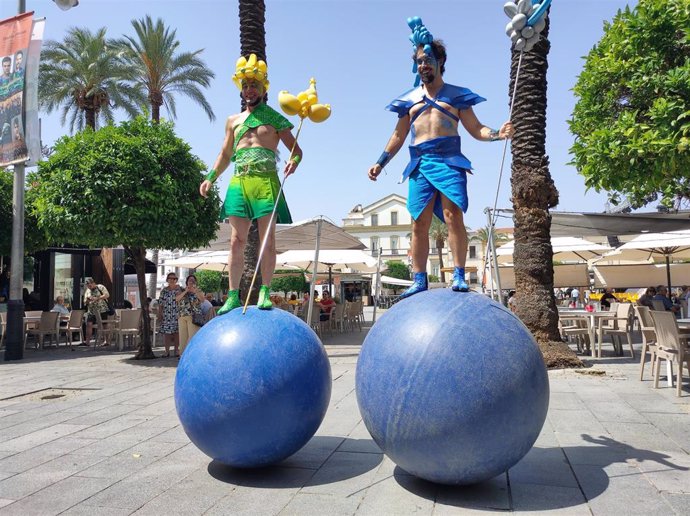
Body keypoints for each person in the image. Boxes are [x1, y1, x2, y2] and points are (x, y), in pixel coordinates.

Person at [367, 18, 513, 299]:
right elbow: (398, 136)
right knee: (417, 222)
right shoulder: (409, 100)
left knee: (452, 215)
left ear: (440, 61)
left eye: (429, 60)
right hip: (420, 163)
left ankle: (459, 274)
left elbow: (475, 129)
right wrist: (380, 161)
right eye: (420, 61)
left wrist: (497, 133)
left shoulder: (457, 96)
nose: (424, 65)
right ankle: (419, 279)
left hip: (450, 161)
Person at [200, 54, 302, 314]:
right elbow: (224, 154)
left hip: (265, 181)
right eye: (245, 86)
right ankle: (233, 295)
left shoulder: (276, 119)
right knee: (236, 240)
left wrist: (294, 162)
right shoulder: (233, 121)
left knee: (268, 240)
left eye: (254, 85)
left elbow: (297, 150)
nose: (249, 90)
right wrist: (211, 177)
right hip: (239, 180)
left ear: (263, 88)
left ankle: (265, 291)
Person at [176, 274, 204, 355]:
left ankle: (193, 354)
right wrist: (186, 291)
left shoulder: (198, 290)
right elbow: (177, 299)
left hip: (193, 316)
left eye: (193, 281)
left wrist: (195, 291)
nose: (191, 282)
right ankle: (182, 355)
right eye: (189, 280)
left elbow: (202, 300)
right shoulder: (181, 290)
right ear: (186, 282)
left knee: (193, 336)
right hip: (182, 316)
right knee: (182, 337)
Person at [158, 272, 181, 358]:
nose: (172, 280)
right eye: (170, 278)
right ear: (167, 280)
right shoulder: (164, 291)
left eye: (174, 279)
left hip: (177, 314)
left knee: (176, 333)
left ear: (176, 280)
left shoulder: (179, 289)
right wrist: (159, 314)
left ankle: (176, 350)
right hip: (166, 314)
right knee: (166, 334)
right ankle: (166, 351)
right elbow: (161, 303)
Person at [83, 278, 109, 346]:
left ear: (93, 283)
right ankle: (87, 342)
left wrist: (97, 298)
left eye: (90, 285)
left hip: (102, 309)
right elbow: (85, 301)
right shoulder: (88, 290)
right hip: (91, 310)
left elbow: (107, 295)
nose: (89, 287)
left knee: (104, 325)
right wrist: (88, 300)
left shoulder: (100, 287)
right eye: (88, 286)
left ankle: (106, 341)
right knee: (89, 325)